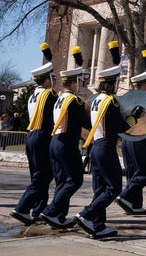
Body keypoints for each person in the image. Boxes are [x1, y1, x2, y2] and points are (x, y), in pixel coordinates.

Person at [75, 51, 142, 240]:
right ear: (113, 83)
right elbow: (121, 126)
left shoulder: (95, 99)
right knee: (113, 188)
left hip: (95, 146)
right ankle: (86, 214)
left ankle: (98, 226)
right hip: (106, 147)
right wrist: (134, 117)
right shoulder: (111, 101)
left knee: (100, 188)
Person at [39, 62, 91, 229]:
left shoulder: (60, 98)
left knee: (62, 181)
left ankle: (59, 216)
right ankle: (51, 211)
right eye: (80, 82)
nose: (81, 86)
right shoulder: (74, 100)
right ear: (74, 82)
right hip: (67, 144)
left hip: (55, 142)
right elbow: (86, 122)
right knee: (75, 179)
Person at [10, 45, 58, 227]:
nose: (54, 81)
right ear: (46, 81)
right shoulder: (49, 94)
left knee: (38, 175)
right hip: (42, 136)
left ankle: (38, 209)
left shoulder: (33, 95)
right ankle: (22, 208)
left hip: (31, 135)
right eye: (52, 78)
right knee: (43, 176)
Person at [117, 68, 146, 215]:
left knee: (133, 172)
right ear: (144, 84)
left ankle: (134, 204)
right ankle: (125, 195)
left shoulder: (127, 99)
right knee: (145, 172)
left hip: (127, 139)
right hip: (140, 139)